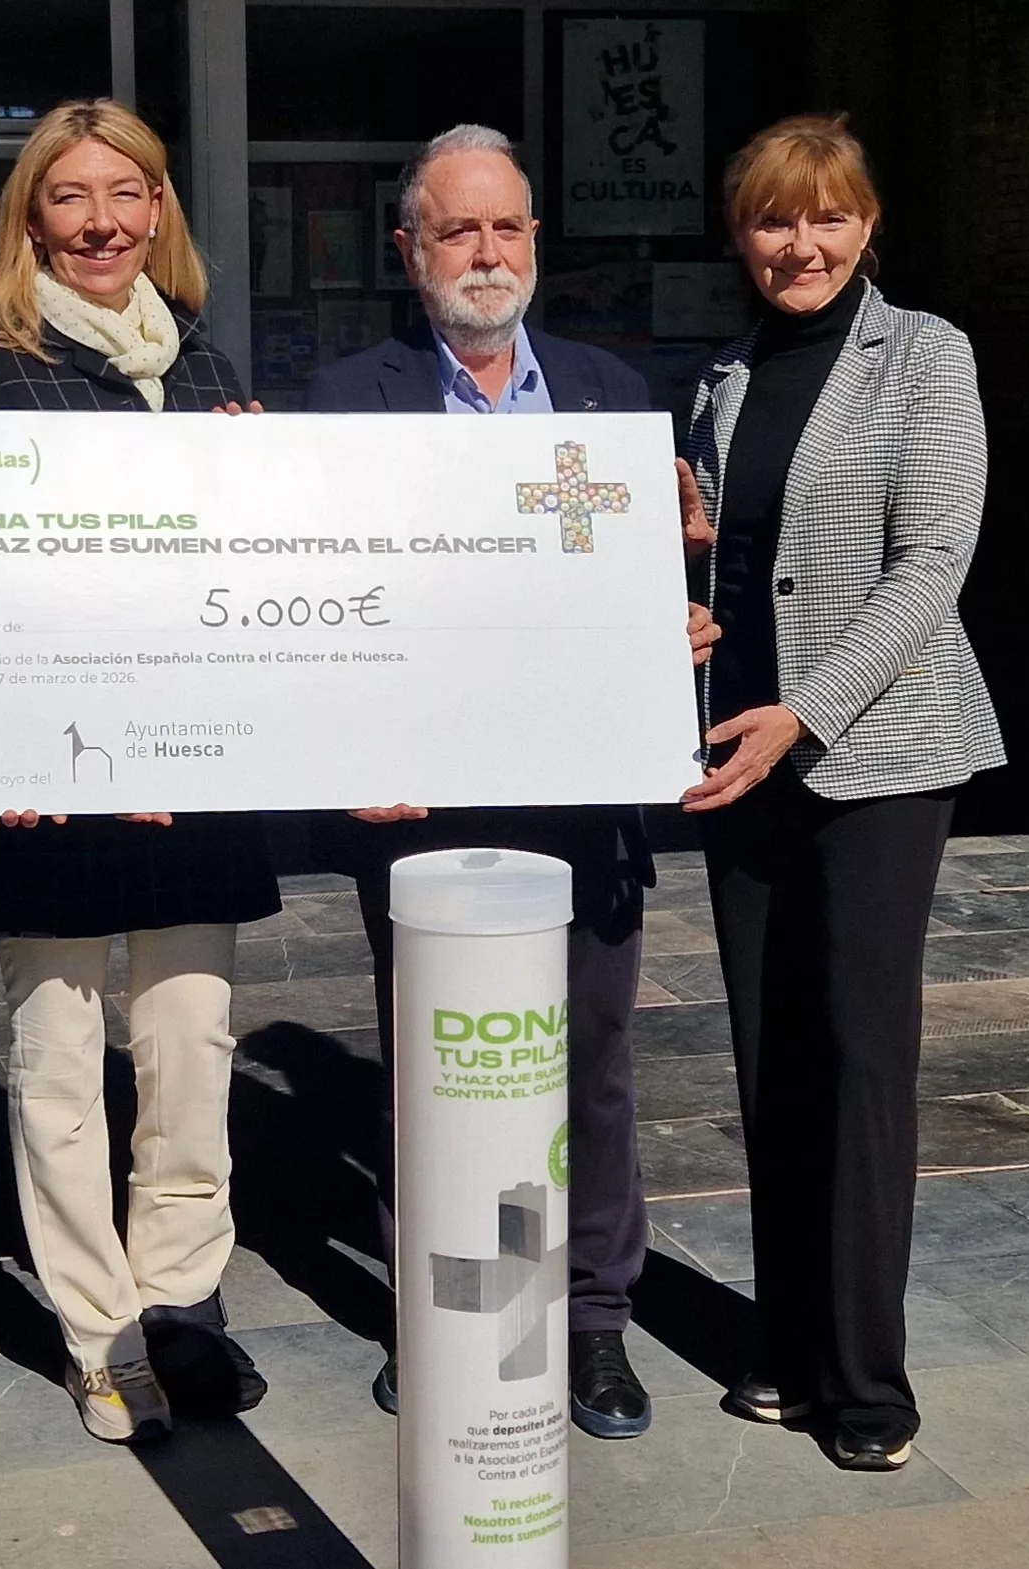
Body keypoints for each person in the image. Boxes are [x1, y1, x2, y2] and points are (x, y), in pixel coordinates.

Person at [307, 123, 719, 1441]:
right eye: (456, 231)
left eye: (506, 228)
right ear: (408, 249)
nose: (484, 254)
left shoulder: (607, 396)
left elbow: (643, 586)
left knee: (588, 1064)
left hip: (579, 793)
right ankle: (445, 1320)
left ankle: (589, 1321)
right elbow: (316, 602)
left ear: (535, 240)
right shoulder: (345, 402)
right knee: (434, 1071)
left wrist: (680, 608)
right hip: (421, 802)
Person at [0, 99, 277, 1446]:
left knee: (190, 1045)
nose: (99, 223)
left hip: (193, 766)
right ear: (32, 217)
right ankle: (98, 1329)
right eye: (70, 198)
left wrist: (262, 490)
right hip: (50, 772)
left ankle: (185, 1300)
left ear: (159, 212)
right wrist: (3, 738)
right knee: (61, 1058)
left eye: (125, 195)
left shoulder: (205, 361)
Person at [678, 114, 1003, 1473]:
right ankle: (787, 1341)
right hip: (734, 754)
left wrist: (804, 710)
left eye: (824, 218)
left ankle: (865, 1380)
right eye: (769, 220)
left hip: (875, 753)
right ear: (738, 233)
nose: (796, 246)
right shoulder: (719, 379)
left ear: (867, 225)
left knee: (861, 1059)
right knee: (770, 1054)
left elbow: (931, 563)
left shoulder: (924, 356)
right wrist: (686, 600)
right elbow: (735, 560)